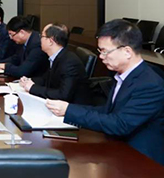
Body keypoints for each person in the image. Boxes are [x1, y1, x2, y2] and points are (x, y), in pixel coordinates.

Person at [46, 19, 164, 166]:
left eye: (105, 51)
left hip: (142, 162)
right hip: (118, 150)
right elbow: (108, 111)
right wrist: (68, 109)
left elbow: (120, 124)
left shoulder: (150, 84)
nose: (101, 56)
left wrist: (69, 110)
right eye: (100, 51)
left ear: (127, 52)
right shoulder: (121, 75)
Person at [20, 23, 91, 104]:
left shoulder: (69, 62)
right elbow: (46, 79)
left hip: (72, 107)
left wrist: (33, 88)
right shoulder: (56, 56)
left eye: (42, 36)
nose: (40, 39)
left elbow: (63, 95)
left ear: (50, 41)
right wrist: (29, 81)